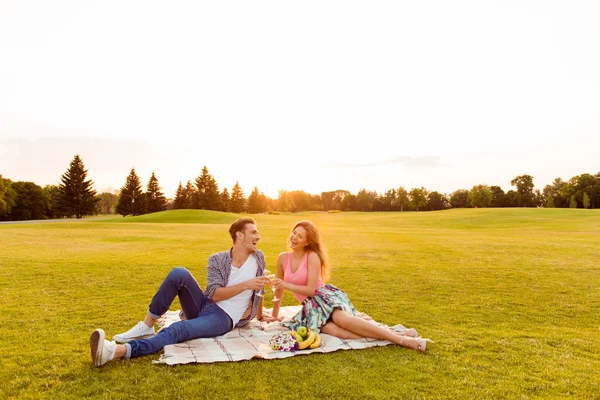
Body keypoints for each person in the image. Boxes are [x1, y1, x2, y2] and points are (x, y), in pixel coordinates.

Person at [90, 217, 278, 367]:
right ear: (239, 235)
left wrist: (260, 316)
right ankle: (148, 324)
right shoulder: (217, 260)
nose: (258, 236)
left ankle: (115, 352)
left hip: (223, 318)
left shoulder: (258, 257)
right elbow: (213, 294)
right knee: (178, 273)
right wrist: (247, 284)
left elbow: (258, 291)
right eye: (254, 232)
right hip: (205, 304)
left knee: (177, 329)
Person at [270, 220, 433, 351]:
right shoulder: (282, 258)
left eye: (300, 236)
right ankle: (396, 332)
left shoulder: (312, 256)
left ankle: (404, 340)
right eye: (294, 233)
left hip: (324, 297)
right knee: (339, 332)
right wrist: (275, 314)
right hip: (311, 307)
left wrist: (286, 284)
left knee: (342, 320)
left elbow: (311, 290)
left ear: (307, 242)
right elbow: (279, 288)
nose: (294, 238)